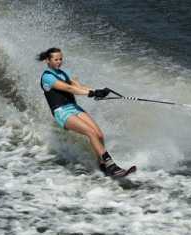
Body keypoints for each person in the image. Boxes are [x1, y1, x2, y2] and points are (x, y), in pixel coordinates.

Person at [37, 47, 126, 176]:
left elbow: (79, 87)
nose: (59, 62)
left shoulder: (63, 74)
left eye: (60, 59)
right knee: (90, 132)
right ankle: (111, 165)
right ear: (48, 61)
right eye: (56, 59)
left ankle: (102, 165)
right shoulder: (47, 77)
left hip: (73, 107)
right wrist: (91, 93)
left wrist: (98, 91)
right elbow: (68, 88)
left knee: (99, 134)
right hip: (61, 111)